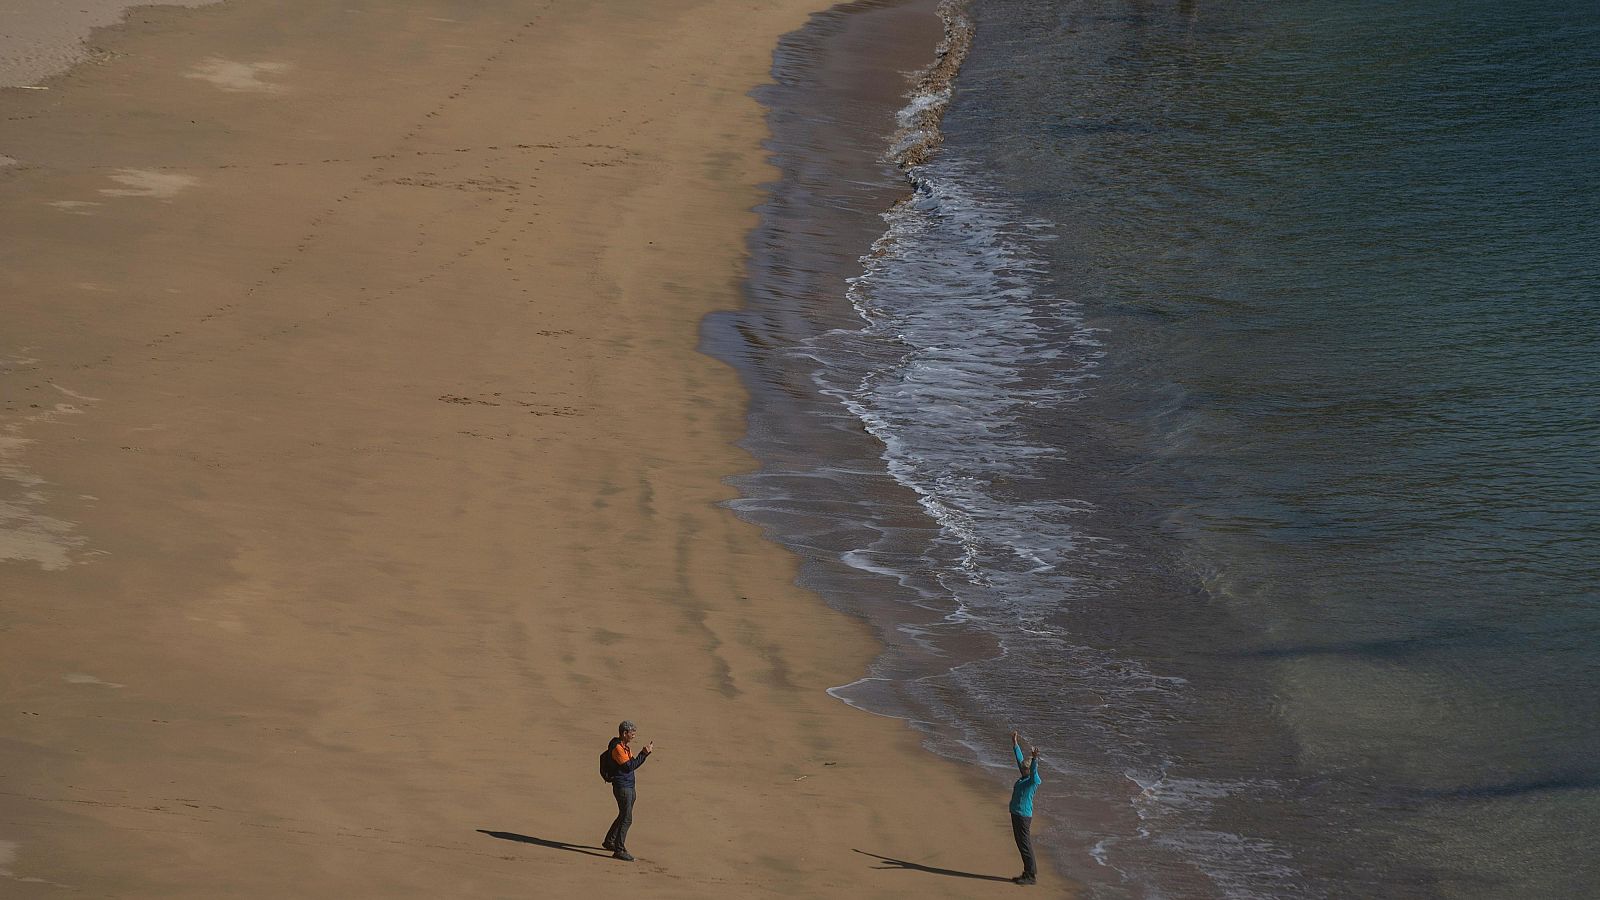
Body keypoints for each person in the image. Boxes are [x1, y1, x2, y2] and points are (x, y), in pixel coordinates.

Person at [602, 720, 653, 861]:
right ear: (624, 733)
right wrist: (644, 754)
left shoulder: (625, 747)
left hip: (628, 786)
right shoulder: (618, 748)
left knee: (623, 815)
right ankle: (619, 849)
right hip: (622, 787)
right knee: (627, 818)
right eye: (632, 733)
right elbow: (628, 767)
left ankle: (609, 841)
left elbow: (632, 763)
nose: (634, 736)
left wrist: (644, 754)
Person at [1009, 729, 1042, 885]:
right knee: (1021, 844)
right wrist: (1015, 743)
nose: (1021, 768)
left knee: (1025, 845)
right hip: (1016, 814)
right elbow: (1020, 760)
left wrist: (1035, 759)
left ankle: (1030, 875)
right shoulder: (1024, 777)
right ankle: (1027, 872)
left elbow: (1034, 772)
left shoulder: (1032, 781)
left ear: (1029, 770)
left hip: (1023, 817)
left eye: (1024, 768)